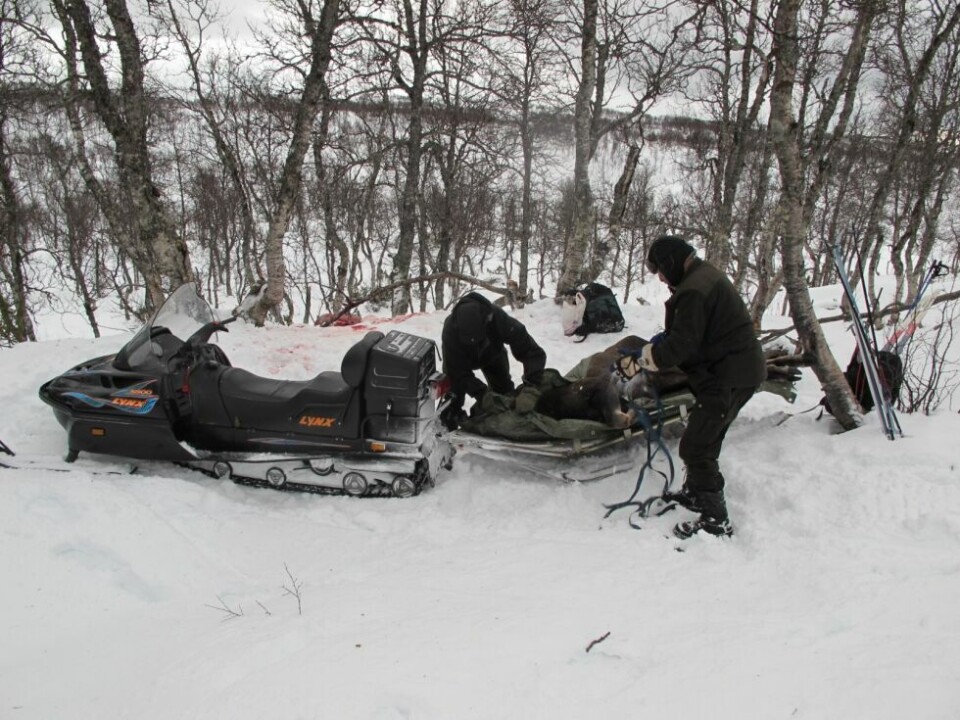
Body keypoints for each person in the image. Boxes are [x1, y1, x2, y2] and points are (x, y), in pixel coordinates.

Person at [623, 235, 766, 539]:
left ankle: (716, 518)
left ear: (672, 262)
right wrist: (661, 342)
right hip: (728, 370)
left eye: (660, 270)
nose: (660, 278)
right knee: (704, 439)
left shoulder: (694, 290)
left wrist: (648, 358)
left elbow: (682, 346)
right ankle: (696, 493)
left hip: (729, 376)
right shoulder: (699, 278)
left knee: (696, 446)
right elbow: (691, 331)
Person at [440, 292, 546, 430]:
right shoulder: (450, 331)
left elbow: (531, 352)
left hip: (492, 354)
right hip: (461, 360)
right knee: (454, 394)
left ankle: (508, 428)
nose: (473, 342)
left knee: (503, 394)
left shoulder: (497, 318)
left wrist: (532, 386)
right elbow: (459, 373)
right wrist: (482, 394)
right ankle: (448, 425)